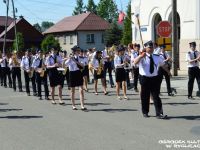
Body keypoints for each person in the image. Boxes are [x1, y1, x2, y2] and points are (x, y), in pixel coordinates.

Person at [134, 41, 169, 119]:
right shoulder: (142, 56)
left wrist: (168, 72)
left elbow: (163, 65)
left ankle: (159, 113)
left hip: (154, 78)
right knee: (145, 96)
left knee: (156, 96)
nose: (151, 49)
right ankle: (145, 112)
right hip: (145, 78)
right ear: (145, 48)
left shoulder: (157, 56)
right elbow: (135, 63)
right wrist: (140, 56)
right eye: (149, 47)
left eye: (152, 47)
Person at [65, 46, 87, 110]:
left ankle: (82, 105)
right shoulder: (70, 58)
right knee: (72, 91)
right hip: (72, 74)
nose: (79, 52)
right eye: (77, 51)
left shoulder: (80, 58)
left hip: (78, 73)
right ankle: (73, 105)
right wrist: (69, 59)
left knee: (81, 90)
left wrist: (76, 61)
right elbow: (65, 65)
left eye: (79, 51)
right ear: (74, 52)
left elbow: (83, 66)